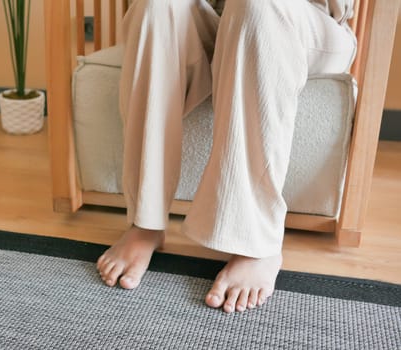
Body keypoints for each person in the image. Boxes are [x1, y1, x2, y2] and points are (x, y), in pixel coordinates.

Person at [96, 0, 356, 313]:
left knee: (257, 6)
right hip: (211, 11)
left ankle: (255, 241)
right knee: (156, 7)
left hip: (302, 17)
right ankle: (145, 221)